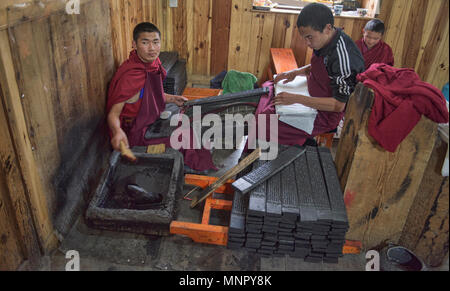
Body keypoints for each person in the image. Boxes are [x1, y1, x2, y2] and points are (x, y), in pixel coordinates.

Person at [106, 22, 216, 171]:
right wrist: (117, 131)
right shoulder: (130, 76)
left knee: (190, 122)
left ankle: (193, 157)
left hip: (152, 120)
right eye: (145, 42)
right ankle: (190, 167)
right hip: (136, 133)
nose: (151, 48)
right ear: (134, 44)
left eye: (155, 42)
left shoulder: (153, 63)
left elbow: (149, 95)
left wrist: (172, 98)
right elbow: (113, 114)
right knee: (182, 138)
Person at [256, 3, 365, 147]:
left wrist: (296, 99)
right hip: (310, 90)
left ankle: (270, 156)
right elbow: (322, 66)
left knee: (267, 121)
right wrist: (296, 72)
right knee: (269, 87)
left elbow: (338, 105)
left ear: (327, 28)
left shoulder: (343, 58)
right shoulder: (325, 39)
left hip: (324, 113)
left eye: (309, 37)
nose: (307, 43)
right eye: (304, 38)